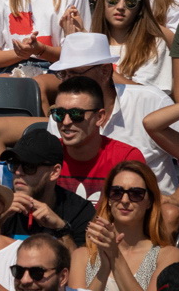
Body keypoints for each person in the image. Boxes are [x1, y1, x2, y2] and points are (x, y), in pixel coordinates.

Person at [46, 34, 177, 195]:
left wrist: (174, 201)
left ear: (105, 71)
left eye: (75, 73)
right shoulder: (61, 114)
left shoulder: (151, 102)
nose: (68, 81)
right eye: (63, 74)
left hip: (149, 206)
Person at [69, 161, 179, 291]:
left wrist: (115, 256)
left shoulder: (168, 255)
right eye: (117, 192)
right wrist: (104, 269)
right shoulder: (82, 256)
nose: (125, 200)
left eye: (136, 194)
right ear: (109, 199)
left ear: (149, 201)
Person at [53, 74, 149, 203]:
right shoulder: (46, 155)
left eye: (76, 114)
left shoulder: (126, 158)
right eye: (59, 114)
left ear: (99, 117)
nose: (66, 122)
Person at [0, 127, 94, 248]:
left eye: (29, 166)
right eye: (14, 164)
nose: (18, 172)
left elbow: (81, 260)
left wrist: (61, 229)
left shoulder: (80, 211)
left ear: (54, 172)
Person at [92, 0, 171, 94]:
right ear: (103, 1)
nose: (120, 7)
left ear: (140, 8)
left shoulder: (154, 45)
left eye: (130, 2)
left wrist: (95, 68)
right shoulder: (90, 43)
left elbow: (148, 96)